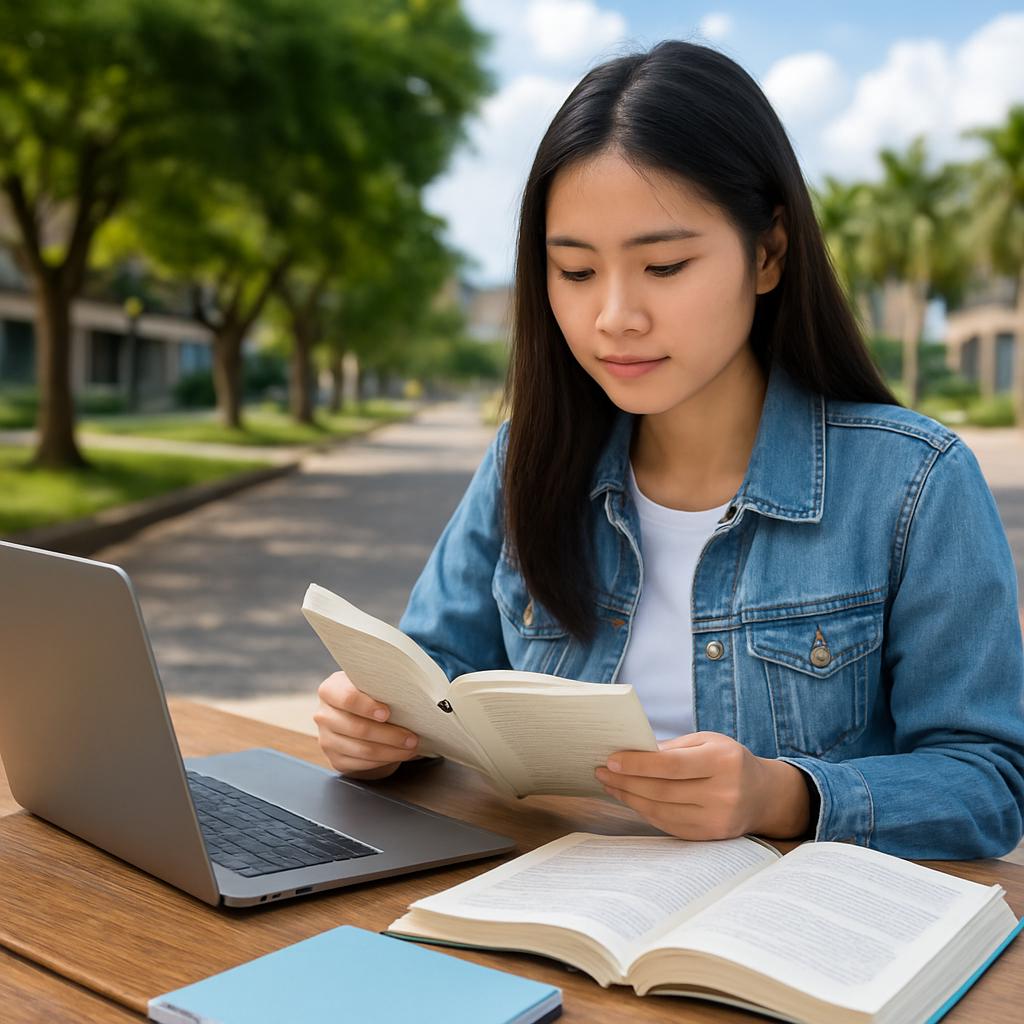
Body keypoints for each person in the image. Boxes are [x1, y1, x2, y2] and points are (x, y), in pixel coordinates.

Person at [314, 40, 1024, 859]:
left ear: (768, 254)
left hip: (792, 949)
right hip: (546, 910)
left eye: (663, 265)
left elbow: (989, 782)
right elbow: (432, 674)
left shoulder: (915, 484)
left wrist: (783, 795)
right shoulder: (527, 459)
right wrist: (371, 727)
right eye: (575, 272)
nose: (614, 315)